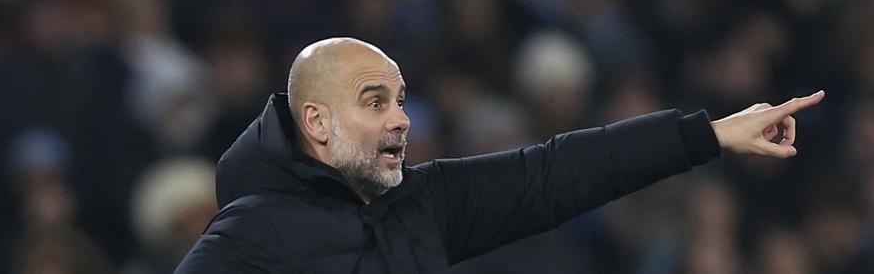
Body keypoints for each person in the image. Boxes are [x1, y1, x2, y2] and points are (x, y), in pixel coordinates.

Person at [176, 37, 825, 272]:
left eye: (400, 98)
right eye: (374, 101)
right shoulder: (248, 232)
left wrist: (706, 134)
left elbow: (558, 171)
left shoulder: (425, 204)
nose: (401, 117)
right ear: (314, 119)